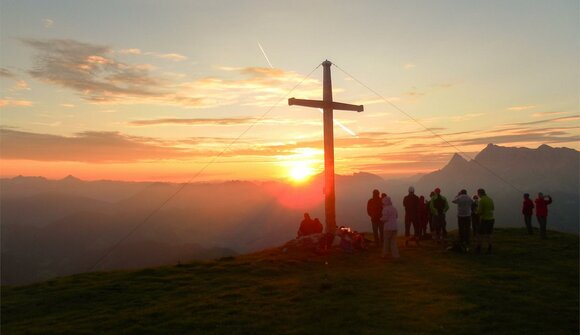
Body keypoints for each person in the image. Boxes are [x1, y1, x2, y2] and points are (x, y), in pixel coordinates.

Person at [475, 188, 494, 254]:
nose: (478, 195)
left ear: (480, 193)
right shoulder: (490, 199)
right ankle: (490, 247)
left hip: (484, 219)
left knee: (480, 234)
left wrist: (476, 212)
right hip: (491, 218)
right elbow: (492, 208)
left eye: (478, 193)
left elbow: (479, 211)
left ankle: (479, 247)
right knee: (489, 234)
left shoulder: (481, 200)